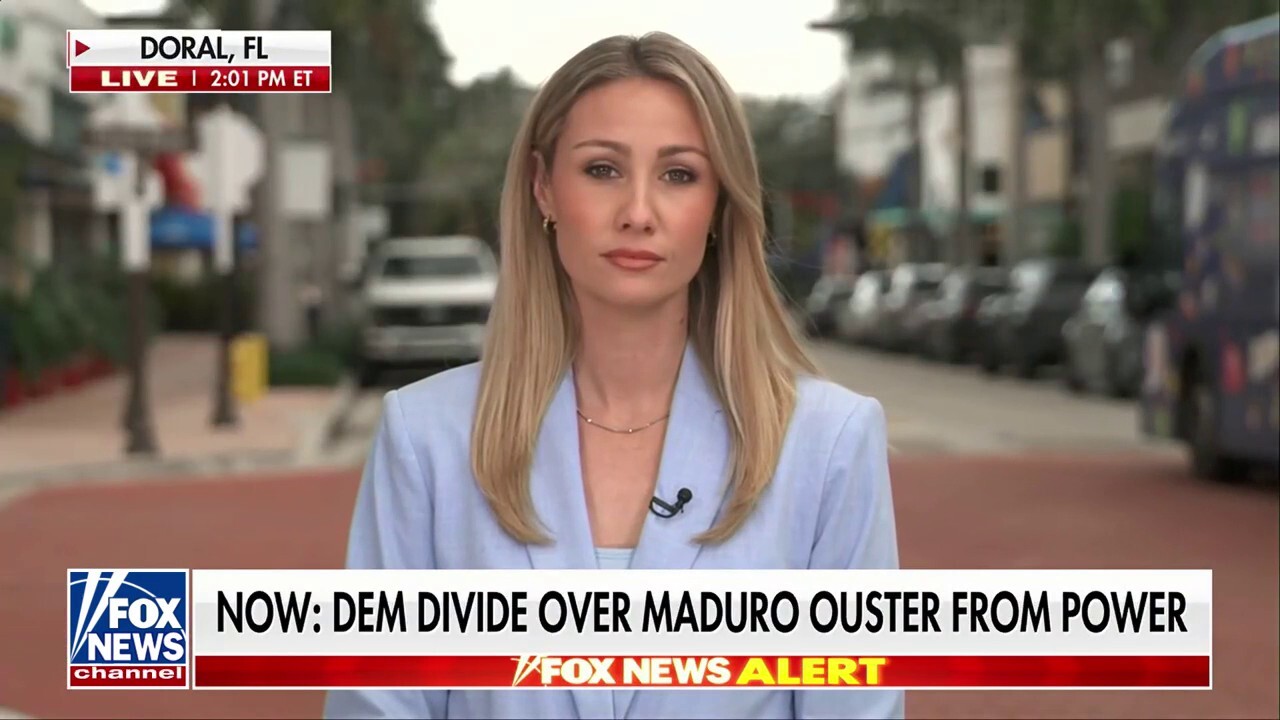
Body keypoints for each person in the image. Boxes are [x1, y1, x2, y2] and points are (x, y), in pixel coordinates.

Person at [325, 31, 902, 720]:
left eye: (679, 175)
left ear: (719, 207)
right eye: (602, 169)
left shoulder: (830, 442)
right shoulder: (425, 438)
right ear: (543, 187)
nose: (637, 213)